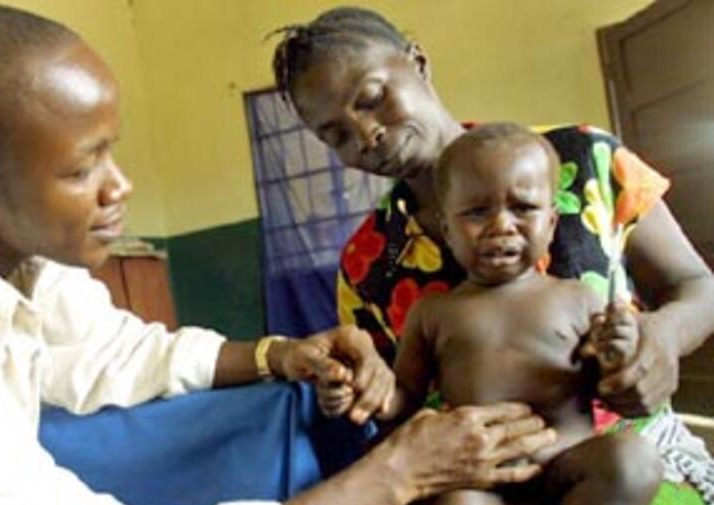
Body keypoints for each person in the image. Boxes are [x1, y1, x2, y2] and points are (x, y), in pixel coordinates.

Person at [0, 4, 558, 505]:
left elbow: (111, 352)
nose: (120, 186)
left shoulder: (8, 239)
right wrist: (394, 475)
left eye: (111, 151)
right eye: (81, 169)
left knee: (295, 403)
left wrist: (280, 353)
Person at [271, 7, 714, 503]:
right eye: (335, 134)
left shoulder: (584, 160)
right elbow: (396, 408)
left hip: (625, 455)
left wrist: (662, 337)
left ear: (418, 63)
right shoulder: (368, 260)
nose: (365, 134)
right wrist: (357, 390)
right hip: (482, 481)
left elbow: (698, 286)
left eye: (373, 98)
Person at [324, 122, 665, 504]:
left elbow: (613, 384)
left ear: (551, 223)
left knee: (635, 460)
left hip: (570, 469)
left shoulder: (580, 299)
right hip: (484, 480)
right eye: (476, 212)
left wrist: (618, 350)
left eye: (523, 208)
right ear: (447, 231)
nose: (501, 225)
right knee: (458, 502)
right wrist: (367, 394)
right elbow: (405, 397)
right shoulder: (433, 313)